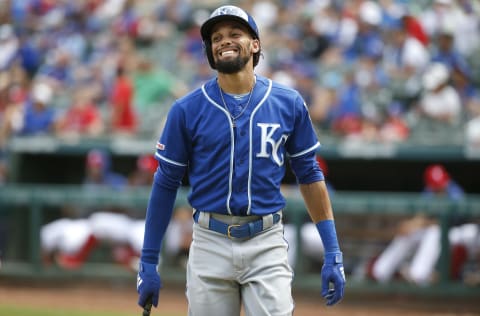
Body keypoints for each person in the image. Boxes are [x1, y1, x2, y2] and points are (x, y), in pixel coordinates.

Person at [136, 5, 345, 315]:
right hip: (209, 240)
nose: (224, 41)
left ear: (255, 44)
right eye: (217, 37)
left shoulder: (288, 102)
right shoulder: (186, 109)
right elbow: (166, 182)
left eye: (235, 34)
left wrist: (333, 250)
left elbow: (309, 174)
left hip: (266, 240)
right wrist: (149, 260)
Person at [370, 164, 478, 285]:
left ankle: (418, 276)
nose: (440, 187)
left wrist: (420, 224)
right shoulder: (429, 192)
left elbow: (446, 222)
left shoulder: (456, 194)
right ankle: (380, 272)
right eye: (436, 185)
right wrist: (411, 224)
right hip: (435, 230)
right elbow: (422, 215)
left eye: (441, 183)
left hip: (458, 232)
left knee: (434, 232)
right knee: (410, 233)